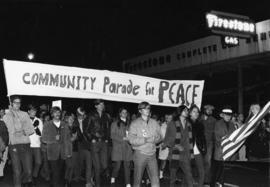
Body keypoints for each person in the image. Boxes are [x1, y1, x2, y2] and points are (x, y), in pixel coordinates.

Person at [3, 95, 35, 187]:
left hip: (26, 144)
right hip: (13, 145)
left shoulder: (25, 114)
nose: (18, 104)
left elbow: (31, 130)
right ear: (11, 103)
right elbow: (12, 130)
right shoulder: (6, 116)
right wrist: (13, 115)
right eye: (15, 102)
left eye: (19, 103)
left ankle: (24, 182)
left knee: (28, 171)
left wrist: (22, 130)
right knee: (17, 171)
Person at [128, 101, 161, 187]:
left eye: (148, 108)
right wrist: (145, 140)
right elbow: (131, 139)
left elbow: (160, 136)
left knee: (155, 180)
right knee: (137, 181)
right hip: (140, 154)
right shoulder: (135, 123)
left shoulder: (154, 122)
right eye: (145, 108)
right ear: (140, 111)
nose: (147, 110)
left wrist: (156, 139)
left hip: (152, 154)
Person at [162, 105, 193, 187]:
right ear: (180, 111)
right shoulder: (172, 123)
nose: (187, 112)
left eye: (187, 110)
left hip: (185, 154)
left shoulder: (189, 124)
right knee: (172, 178)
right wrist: (175, 145)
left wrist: (190, 152)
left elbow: (189, 140)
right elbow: (167, 139)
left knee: (189, 175)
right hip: (174, 154)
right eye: (185, 110)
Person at [41, 106, 72, 187]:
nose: (57, 114)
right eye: (55, 112)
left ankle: (52, 184)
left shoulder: (64, 124)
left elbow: (68, 139)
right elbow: (44, 139)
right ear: (52, 114)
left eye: (58, 112)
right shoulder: (47, 125)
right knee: (56, 172)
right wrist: (54, 138)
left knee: (59, 172)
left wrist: (69, 152)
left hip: (62, 153)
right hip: (52, 153)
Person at [84, 99, 111, 187]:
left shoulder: (106, 116)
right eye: (100, 104)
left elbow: (108, 129)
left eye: (103, 104)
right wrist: (91, 138)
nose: (102, 106)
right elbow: (86, 130)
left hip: (104, 143)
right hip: (95, 143)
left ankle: (93, 177)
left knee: (104, 165)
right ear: (96, 106)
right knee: (97, 166)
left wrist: (107, 139)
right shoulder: (91, 115)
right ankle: (98, 185)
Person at [211, 107, 235, 187]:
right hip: (220, 151)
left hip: (228, 152)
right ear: (223, 115)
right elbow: (217, 137)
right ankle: (213, 184)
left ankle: (221, 184)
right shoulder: (218, 123)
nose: (228, 117)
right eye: (226, 115)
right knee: (216, 171)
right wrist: (226, 143)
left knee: (224, 172)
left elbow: (234, 136)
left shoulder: (232, 124)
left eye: (229, 115)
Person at [110, 107, 133, 187]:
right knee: (117, 166)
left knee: (127, 166)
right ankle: (113, 176)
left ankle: (128, 182)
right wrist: (122, 138)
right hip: (118, 148)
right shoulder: (114, 123)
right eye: (123, 112)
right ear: (120, 114)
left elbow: (132, 134)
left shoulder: (130, 124)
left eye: (126, 112)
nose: (125, 114)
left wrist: (131, 138)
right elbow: (112, 135)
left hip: (127, 148)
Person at [73, 107, 94, 187]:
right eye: (80, 114)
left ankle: (88, 181)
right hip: (78, 146)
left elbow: (92, 131)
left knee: (89, 164)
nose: (82, 116)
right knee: (80, 163)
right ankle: (78, 176)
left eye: (83, 114)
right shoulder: (74, 122)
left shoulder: (87, 121)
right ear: (77, 114)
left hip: (88, 145)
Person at [189, 105, 206, 187]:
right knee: (188, 172)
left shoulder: (200, 124)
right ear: (190, 113)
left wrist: (204, 148)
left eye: (197, 112)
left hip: (198, 150)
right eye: (194, 111)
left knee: (202, 171)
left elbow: (203, 138)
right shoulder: (185, 123)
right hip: (188, 151)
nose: (196, 113)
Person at [199, 104, 216, 185]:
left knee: (207, 162)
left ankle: (206, 180)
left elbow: (214, 132)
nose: (210, 111)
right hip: (199, 143)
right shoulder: (199, 118)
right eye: (208, 109)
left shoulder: (213, 120)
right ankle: (200, 176)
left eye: (211, 110)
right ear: (204, 110)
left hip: (209, 143)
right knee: (199, 161)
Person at [28, 105, 43, 186]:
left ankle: (34, 176)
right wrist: (33, 126)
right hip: (28, 145)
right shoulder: (25, 120)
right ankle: (29, 180)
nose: (34, 112)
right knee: (28, 164)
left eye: (35, 111)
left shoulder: (39, 121)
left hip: (37, 145)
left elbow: (40, 134)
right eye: (32, 111)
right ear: (28, 111)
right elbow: (26, 132)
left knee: (38, 162)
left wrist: (36, 127)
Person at [158, 112, 173, 179]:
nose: (169, 119)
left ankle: (172, 175)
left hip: (172, 146)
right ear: (165, 118)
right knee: (163, 161)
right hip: (164, 146)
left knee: (172, 162)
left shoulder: (174, 125)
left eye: (170, 118)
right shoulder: (162, 126)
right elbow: (162, 137)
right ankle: (160, 174)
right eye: (167, 118)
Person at [64, 112, 77, 187]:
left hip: (74, 149)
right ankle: (67, 181)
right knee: (70, 166)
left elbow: (78, 137)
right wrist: (73, 138)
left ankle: (68, 181)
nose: (72, 120)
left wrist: (75, 138)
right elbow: (66, 140)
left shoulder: (74, 127)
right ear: (66, 120)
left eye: (72, 119)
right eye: (70, 119)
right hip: (67, 149)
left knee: (71, 166)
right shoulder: (65, 128)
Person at [0, 108, 9, 179]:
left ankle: (1, 173)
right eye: (0, 112)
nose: (2, 113)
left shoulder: (7, 121)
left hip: (6, 143)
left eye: (3, 112)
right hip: (1, 142)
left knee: (4, 158)